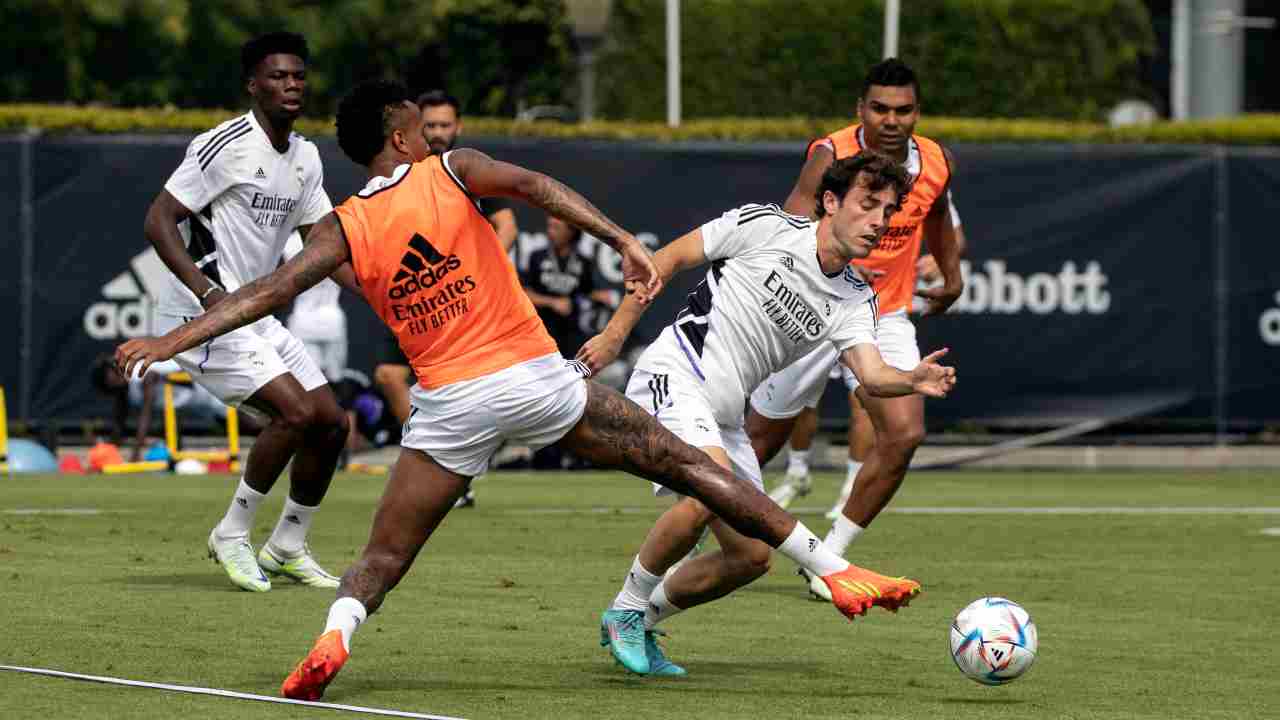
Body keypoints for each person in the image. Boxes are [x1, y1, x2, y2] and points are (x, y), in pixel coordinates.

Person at [116, 80, 930, 700]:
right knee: (687, 465)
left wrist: (169, 340)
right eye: (417, 122)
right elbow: (538, 188)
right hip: (536, 383)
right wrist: (619, 238)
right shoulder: (451, 169)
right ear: (402, 133)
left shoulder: (341, 226)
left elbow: (256, 296)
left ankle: (336, 634)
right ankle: (828, 566)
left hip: (448, 409)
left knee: (384, 555)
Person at [576, 154, 955, 676]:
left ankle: (643, 614)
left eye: (888, 212)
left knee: (751, 558)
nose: (879, 222)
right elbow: (664, 259)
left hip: (727, 419)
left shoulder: (854, 297)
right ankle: (625, 606)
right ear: (829, 201)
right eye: (868, 205)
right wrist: (617, 334)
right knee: (708, 490)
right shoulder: (765, 226)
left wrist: (910, 379)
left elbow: (871, 376)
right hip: (678, 371)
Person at [745, 58, 966, 601]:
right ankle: (698, 522)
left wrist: (952, 276)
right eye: (881, 108)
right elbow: (789, 226)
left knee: (905, 434)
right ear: (860, 110)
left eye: (904, 109)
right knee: (756, 442)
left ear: (917, 112)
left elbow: (935, 214)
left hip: (881, 313)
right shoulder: (831, 154)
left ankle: (830, 559)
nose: (892, 120)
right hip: (811, 307)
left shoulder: (936, 161)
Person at [140, 31, 349, 593]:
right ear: (253, 85)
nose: (291, 85)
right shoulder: (223, 144)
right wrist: (208, 293)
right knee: (295, 415)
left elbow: (323, 246)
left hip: (256, 317)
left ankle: (286, 546)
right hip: (201, 314)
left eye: (299, 76)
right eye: (278, 76)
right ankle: (232, 533)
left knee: (332, 423)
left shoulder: (305, 156)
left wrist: (386, 296)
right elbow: (159, 220)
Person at [372, 90, 521, 500]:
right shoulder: (401, 169)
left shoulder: (464, 169)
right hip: (414, 292)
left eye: (444, 125)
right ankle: (438, 469)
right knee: (390, 375)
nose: (437, 133)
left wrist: (478, 267)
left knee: (465, 386)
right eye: (429, 126)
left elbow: (507, 226)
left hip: (460, 295)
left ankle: (449, 475)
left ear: (457, 127)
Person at [521, 215, 614, 357]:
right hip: (540, 329)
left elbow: (585, 291)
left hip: (570, 332)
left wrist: (600, 296)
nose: (550, 232)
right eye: (549, 226)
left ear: (571, 232)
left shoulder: (583, 262)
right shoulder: (537, 257)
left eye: (556, 227)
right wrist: (552, 302)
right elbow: (524, 294)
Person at [283, 231, 347, 383]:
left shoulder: (288, 243)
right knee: (331, 382)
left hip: (305, 322)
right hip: (330, 322)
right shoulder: (338, 240)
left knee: (310, 383)